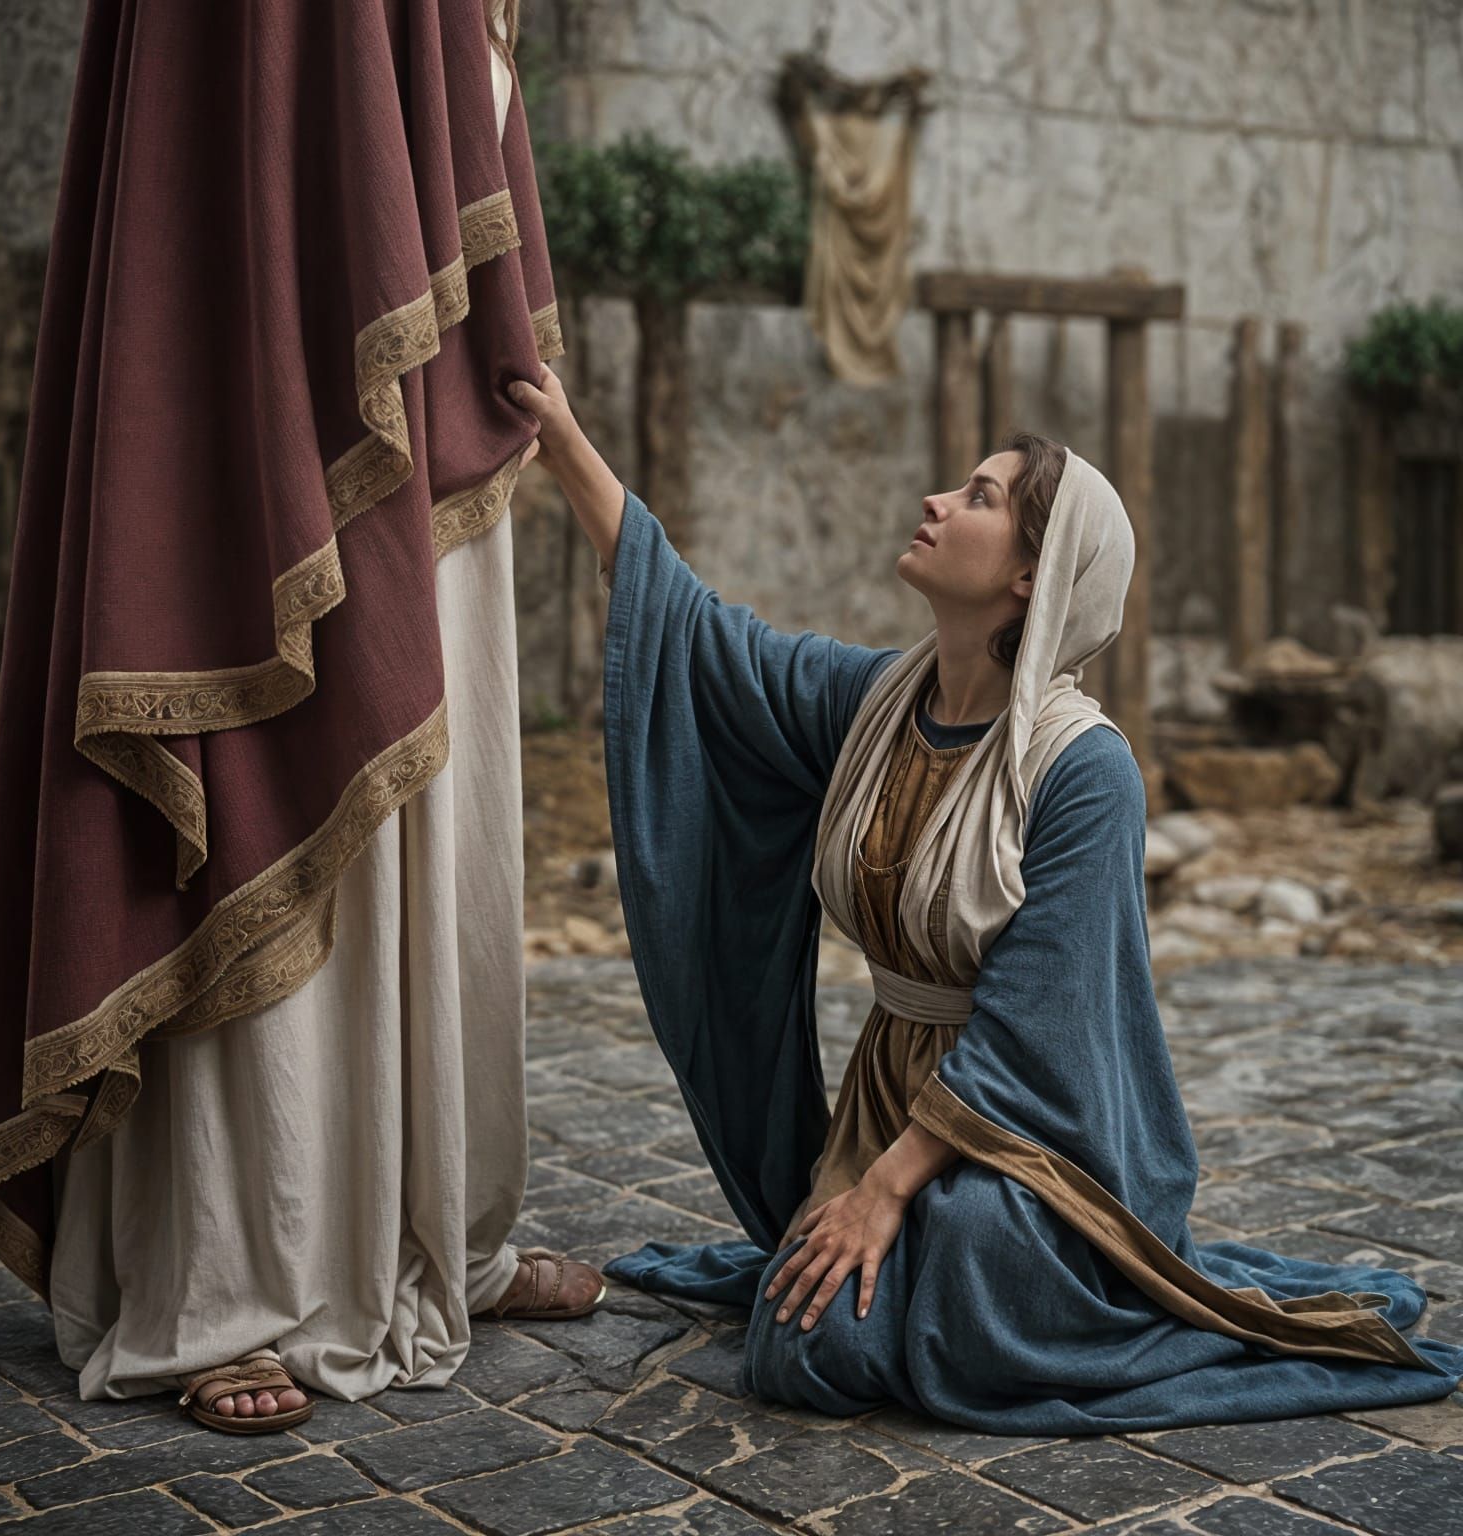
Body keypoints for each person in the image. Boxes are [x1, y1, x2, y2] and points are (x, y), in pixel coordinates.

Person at [505, 360, 1463, 1433]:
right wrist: (564, 445)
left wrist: (884, 1190)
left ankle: (1076, 1269)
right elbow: (709, 641)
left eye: (980, 497)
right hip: (894, 1097)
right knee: (807, 1343)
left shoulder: (1082, 771)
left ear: (1030, 576)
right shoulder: (875, 700)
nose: (937, 501)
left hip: (1043, 1130)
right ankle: (916, 1244)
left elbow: (1036, 1021)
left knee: (933, 1278)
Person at [0, 0, 603, 1435]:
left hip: (417, 299)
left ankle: (437, 1224)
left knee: (437, 756)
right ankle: (233, 1279)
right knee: (262, 677)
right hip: (256, 306)